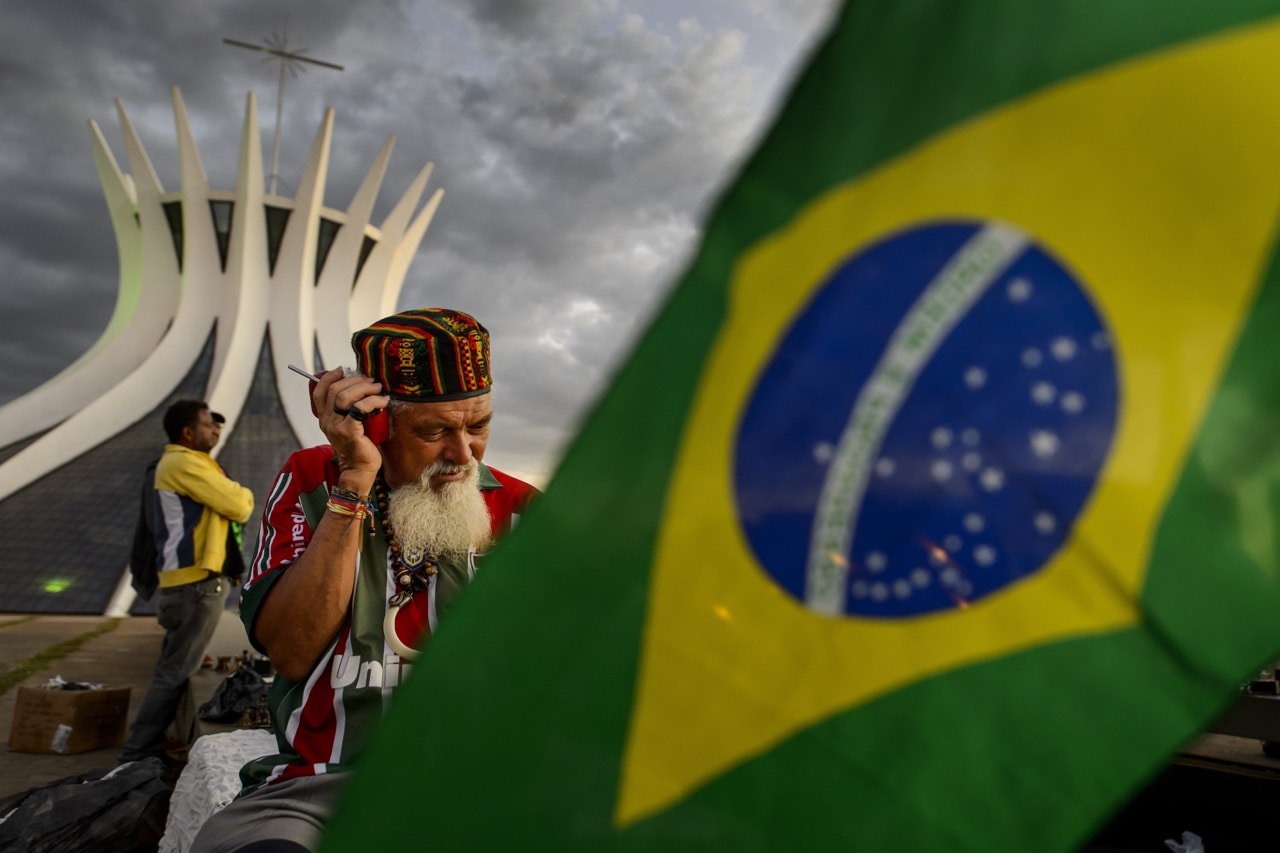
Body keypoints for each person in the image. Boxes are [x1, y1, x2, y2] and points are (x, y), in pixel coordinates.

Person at [191, 308, 538, 853]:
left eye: (479, 426)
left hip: (484, 786)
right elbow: (291, 651)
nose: (463, 455)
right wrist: (355, 480)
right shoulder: (312, 481)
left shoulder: (523, 511)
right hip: (321, 789)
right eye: (434, 431)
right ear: (379, 423)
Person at [120, 400, 255, 764]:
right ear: (187, 432)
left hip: (188, 584)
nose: (215, 430)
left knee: (174, 666)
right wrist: (236, 492)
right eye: (209, 424)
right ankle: (136, 754)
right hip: (196, 584)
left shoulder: (188, 464)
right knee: (175, 673)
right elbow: (241, 504)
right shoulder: (183, 462)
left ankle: (149, 745)